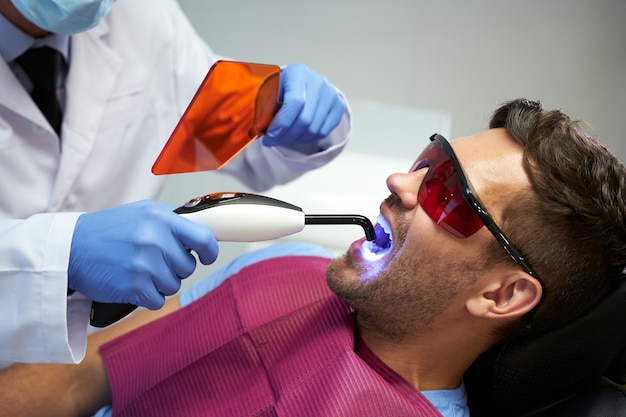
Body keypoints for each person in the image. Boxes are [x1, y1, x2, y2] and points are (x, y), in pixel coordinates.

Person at [1, 98, 625, 417]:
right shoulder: (284, 265)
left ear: (502, 295)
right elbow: (80, 377)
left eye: (448, 195)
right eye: (429, 162)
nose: (400, 183)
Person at [0, 0, 352, 366]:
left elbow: (224, 131)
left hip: (87, 359)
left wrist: (288, 115)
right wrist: (61, 255)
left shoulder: (141, 16)